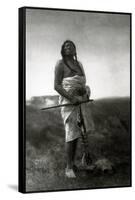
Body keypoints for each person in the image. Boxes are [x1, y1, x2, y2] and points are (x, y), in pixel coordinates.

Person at [54, 40, 93, 178]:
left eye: (71, 45)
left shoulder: (79, 64)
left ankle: (74, 163)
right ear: (62, 50)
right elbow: (57, 86)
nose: (68, 47)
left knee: (78, 133)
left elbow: (83, 83)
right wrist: (71, 98)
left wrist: (84, 92)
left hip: (81, 101)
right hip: (68, 103)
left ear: (75, 50)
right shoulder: (60, 64)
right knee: (71, 134)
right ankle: (68, 168)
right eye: (65, 46)